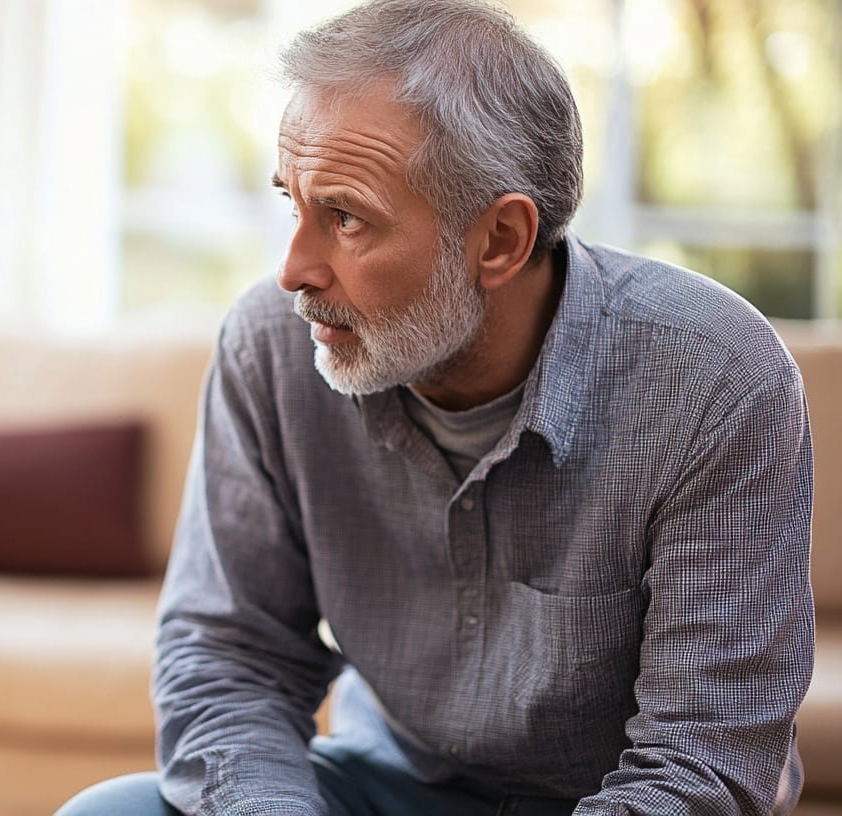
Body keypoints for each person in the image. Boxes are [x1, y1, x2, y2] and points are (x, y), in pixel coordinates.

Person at [57, 1, 814, 814]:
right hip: (382, 785)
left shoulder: (716, 381)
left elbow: (702, 758)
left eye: (345, 218)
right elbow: (229, 657)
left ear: (499, 240)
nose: (293, 270)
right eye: (293, 205)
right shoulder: (271, 348)